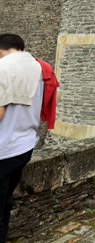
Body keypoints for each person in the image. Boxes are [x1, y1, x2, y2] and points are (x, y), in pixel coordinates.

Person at [0, 34, 43, 243]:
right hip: (24, 146)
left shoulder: (3, 67)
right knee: (5, 203)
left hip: (3, 148)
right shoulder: (37, 67)